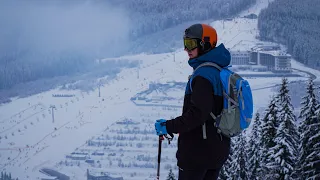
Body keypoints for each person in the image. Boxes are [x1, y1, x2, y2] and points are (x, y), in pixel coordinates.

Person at [154, 23, 231, 180]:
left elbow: (197, 115)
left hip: (197, 153)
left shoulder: (203, 75)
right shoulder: (219, 71)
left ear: (205, 45)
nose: (186, 50)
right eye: (185, 43)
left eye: (190, 44)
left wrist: (168, 126)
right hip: (217, 149)